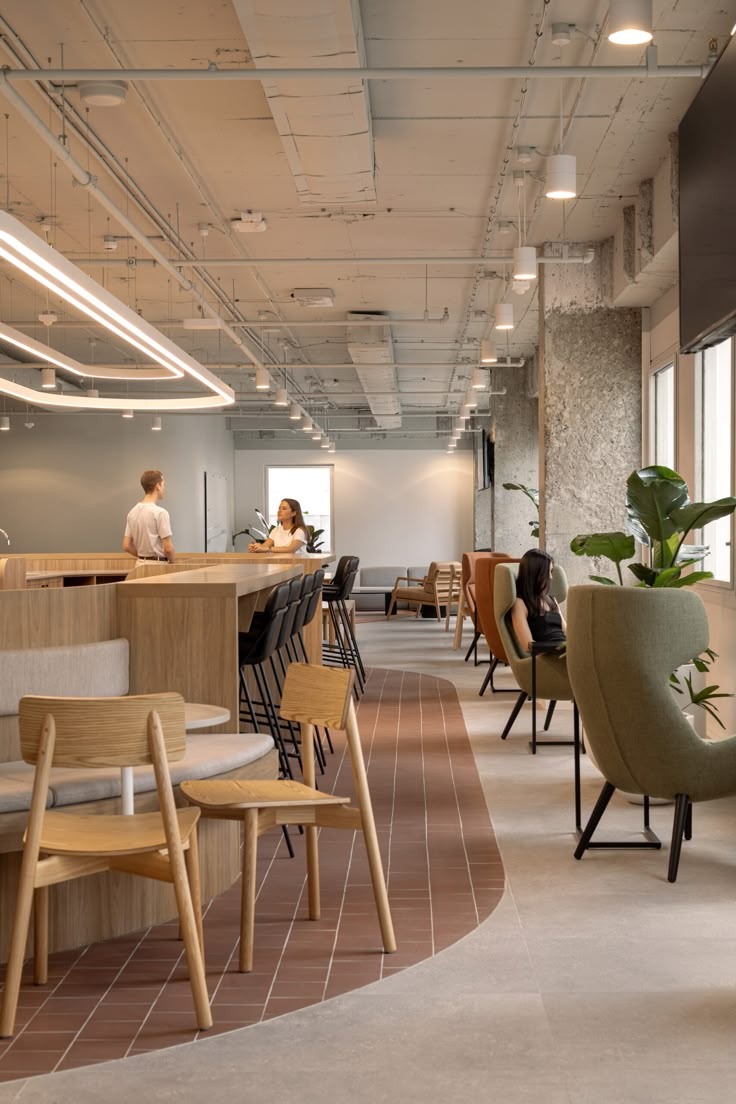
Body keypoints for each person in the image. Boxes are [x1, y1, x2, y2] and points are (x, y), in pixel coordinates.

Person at [510, 548, 566, 654]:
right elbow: (528, 645)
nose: (551, 577)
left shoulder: (551, 599)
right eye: (547, 572)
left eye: (551, 571)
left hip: (565, 650)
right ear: (534, 573)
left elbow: (566, 631)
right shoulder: (520, 603)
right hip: (549, 655)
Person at [122, 469, 175, 563]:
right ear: (157, 486)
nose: (164, 488)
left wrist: (144, 557)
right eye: (163, 484)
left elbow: (126, 545)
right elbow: (168, 549)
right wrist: (173, 564)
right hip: (158, 567)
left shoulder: (132, 512)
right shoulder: (160, 513)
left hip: (139, 565)